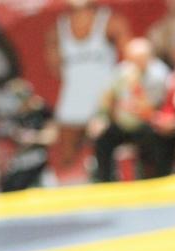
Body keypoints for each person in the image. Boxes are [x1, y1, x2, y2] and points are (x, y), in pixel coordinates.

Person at [46, 0, 131, 172]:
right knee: (68, 159)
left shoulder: (111, 21)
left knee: (110, 151)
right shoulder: (57, 29)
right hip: (74, 101)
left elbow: (129, 60)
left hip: (105, 101)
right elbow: (55, 67)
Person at [89, 38, 174, 182]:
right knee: (102, 138)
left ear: (149, 58)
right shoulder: (121, 71)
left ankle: (156, 180)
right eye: (132, 59)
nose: (135, 64)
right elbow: (108, 97)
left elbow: (150, 110)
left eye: (140, 59)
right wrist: (101, 117)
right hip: (123, 123)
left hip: (147, 124)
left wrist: (135, 87)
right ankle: (105, 182)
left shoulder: (158, 75)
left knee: (155, 140)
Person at [0, 79, 58, 192]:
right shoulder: (9, 115)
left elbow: (53, 136)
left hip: (39, 166)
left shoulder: (41, 112)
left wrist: (33, 137)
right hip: (17, 167)